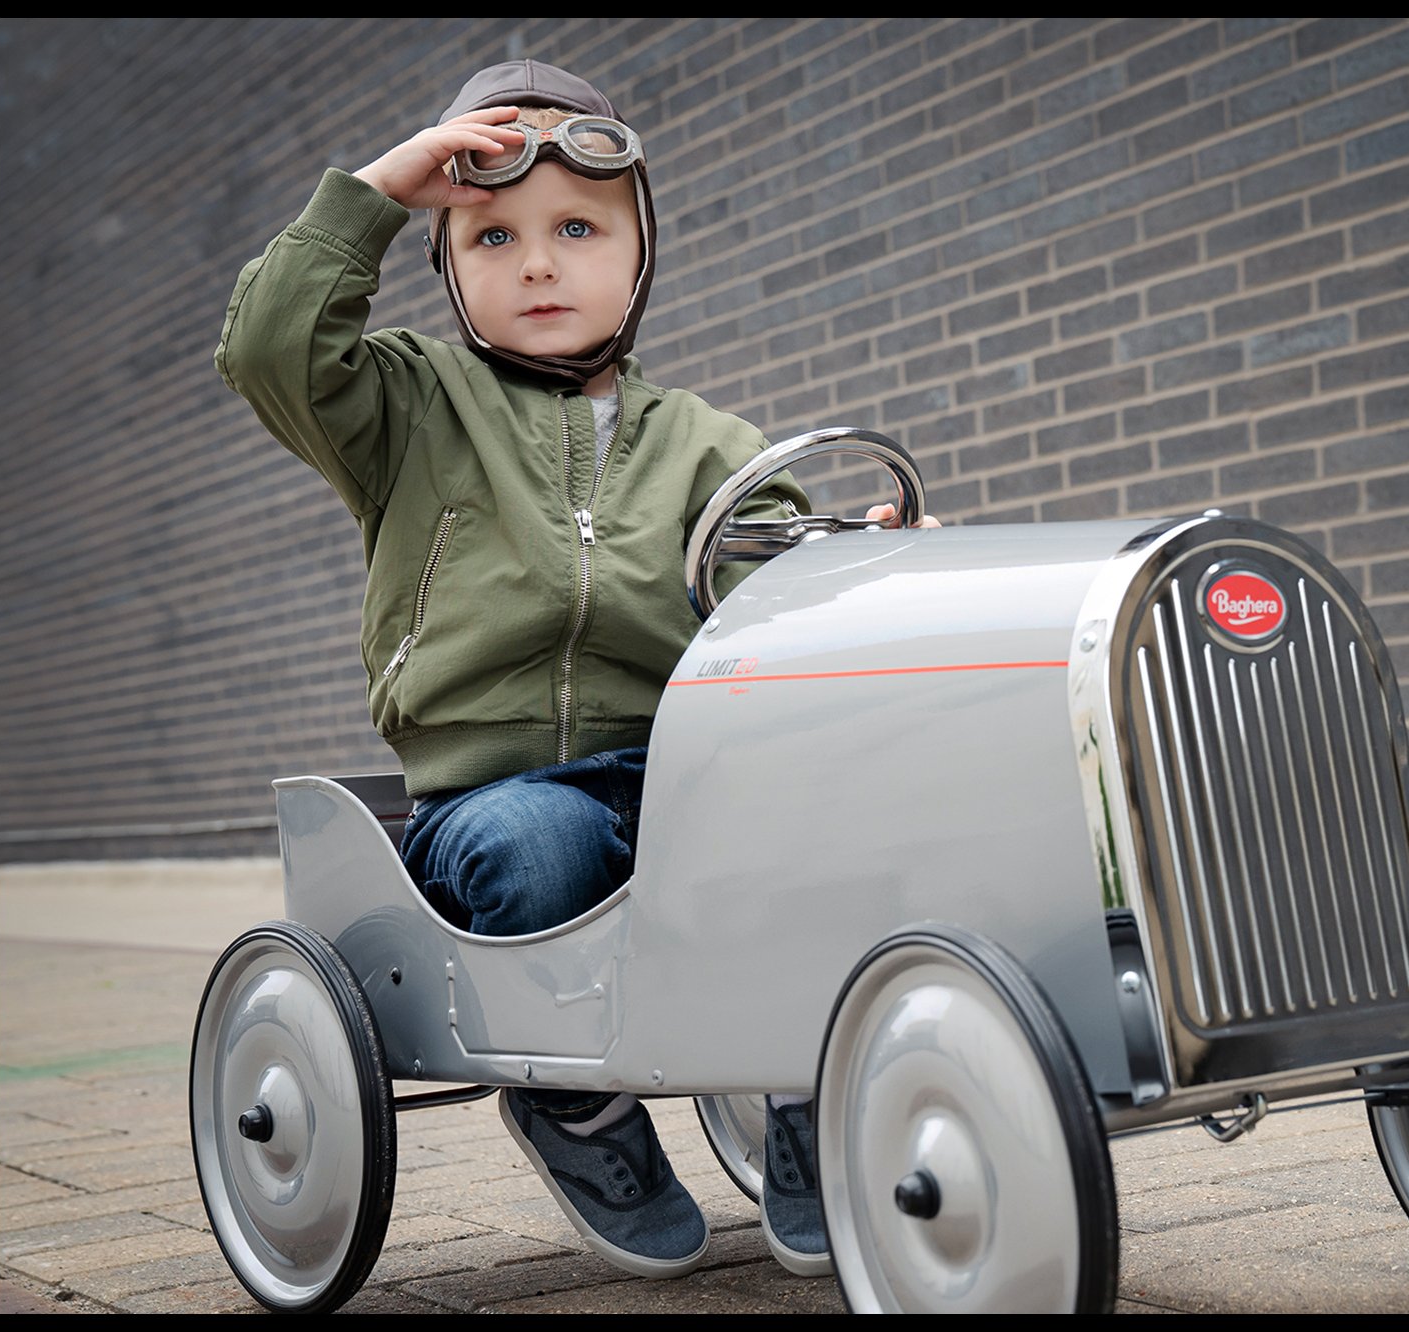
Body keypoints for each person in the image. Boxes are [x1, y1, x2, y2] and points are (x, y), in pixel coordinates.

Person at [215, 58, 934, 1282]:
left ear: (639, 254)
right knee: (544, 848)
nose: (538, 262)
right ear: (449, 263)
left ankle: (812, 1086)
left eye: (577, 229)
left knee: (823, 829)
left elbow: (782, 612)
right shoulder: (406, 405)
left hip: (685, 781)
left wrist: (853, 569)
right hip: (492, 800)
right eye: (492, 234)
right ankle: (580, 1113)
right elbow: (269, 347)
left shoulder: (717, 445)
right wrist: (386, 189)